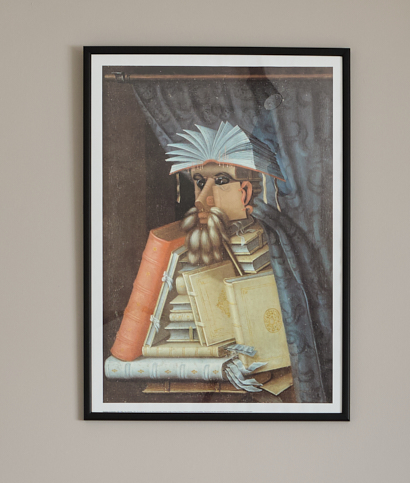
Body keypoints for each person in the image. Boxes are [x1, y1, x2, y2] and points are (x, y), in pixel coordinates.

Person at [107, 121, 292, 397]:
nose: (202, 200)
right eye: (199, 183)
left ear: (245, 193)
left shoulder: (265, 249)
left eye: (221, 181)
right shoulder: (176, 252)